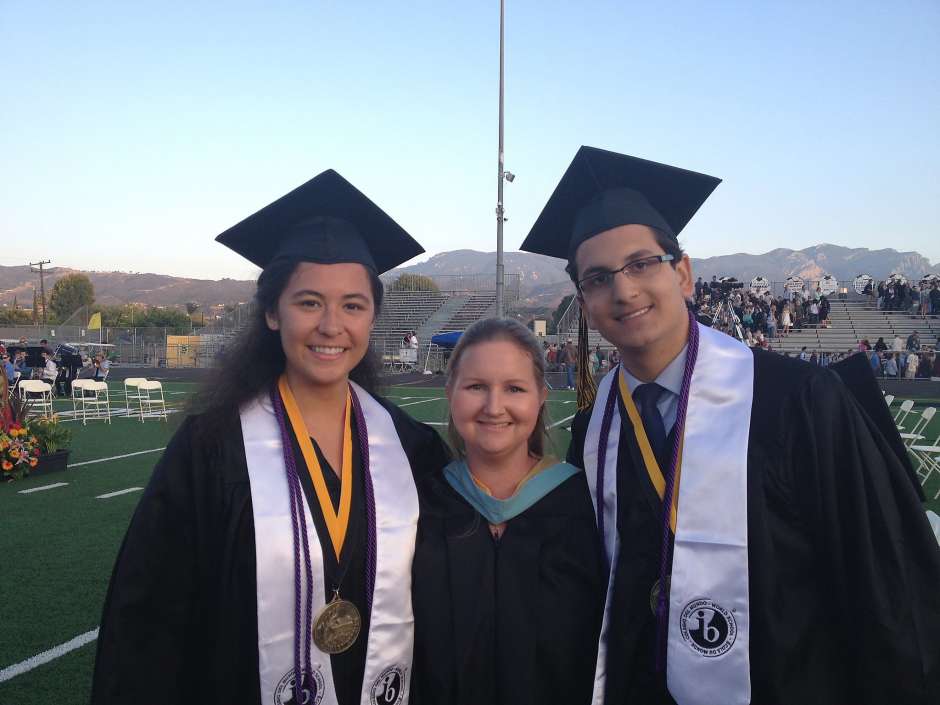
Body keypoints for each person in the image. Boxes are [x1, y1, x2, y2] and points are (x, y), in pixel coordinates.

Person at [520, 146, 940, 705]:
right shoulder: (594, 427)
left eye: (641, 264)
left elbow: (882, 586)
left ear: (684, 274)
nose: (623, 290)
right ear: (586, 302)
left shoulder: (798, 401)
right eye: (598, 278)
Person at [92, 170, 451, 705]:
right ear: (270, 313)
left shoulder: (412, 447)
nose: (332, 325)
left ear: (373, 316)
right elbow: (149, 622)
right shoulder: (213, 446)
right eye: (309, 302)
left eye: (353, 305)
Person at [411, 318, 605, 705]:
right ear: (450, 392)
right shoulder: (417, 505)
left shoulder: (585, 506)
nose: (494, 406)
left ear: (540, 396)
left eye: (514, 388)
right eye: (476, 387)